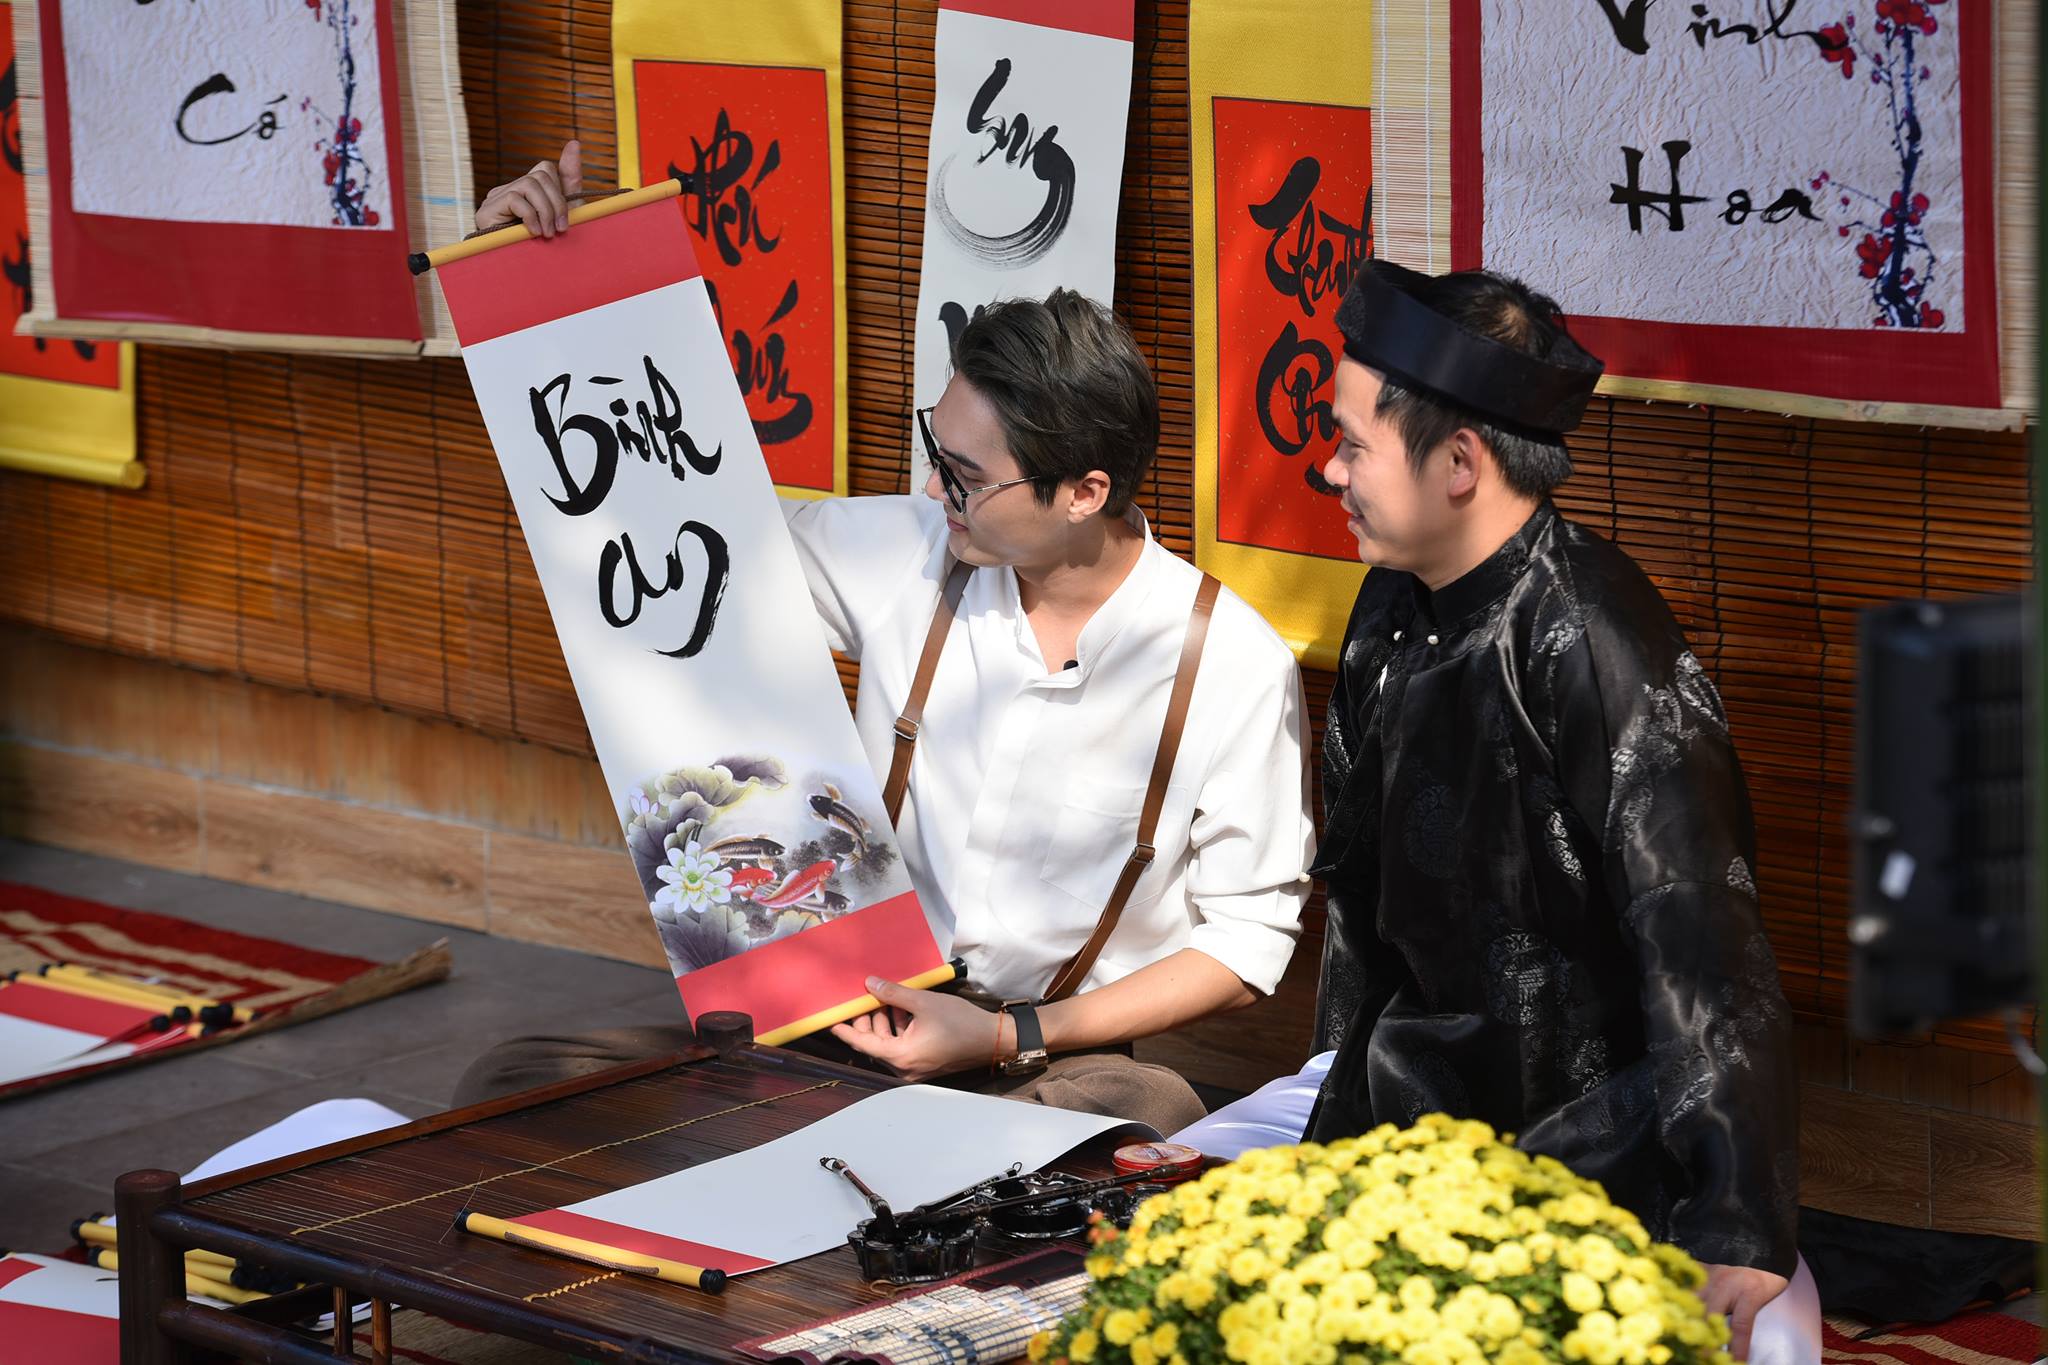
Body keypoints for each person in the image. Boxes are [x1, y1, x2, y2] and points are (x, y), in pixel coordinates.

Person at [454, 147, 1315, 1135]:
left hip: (1039, 1057)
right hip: (842, 1020)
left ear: (1084, 492)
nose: (933, 487)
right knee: (513, 1079)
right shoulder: (909, 549)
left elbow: (1244, 947)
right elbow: (678, 532)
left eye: (966, 476)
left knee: (1145, 1109)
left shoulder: (1230, 664)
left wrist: (1004, 1036)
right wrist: (537, 289)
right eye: (935, 450)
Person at [1179, 259, 1809, 1359]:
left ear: (1460, 463)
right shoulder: (1391, 601)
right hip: (1407, 1104)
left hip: (1594, 1136)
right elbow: (1362, 899)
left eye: (1352, 446)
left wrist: (1733, 1218)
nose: (1328, 470)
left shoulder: (1595, 643)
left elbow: (1702, 937)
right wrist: (1336, 1102)